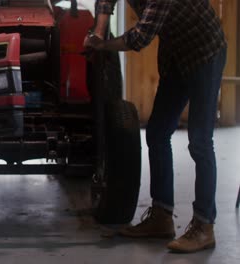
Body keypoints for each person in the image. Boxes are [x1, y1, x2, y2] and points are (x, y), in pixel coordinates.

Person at [84, 0, 227, 253]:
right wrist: (99, 30)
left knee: (200, 142)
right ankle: (161, 216)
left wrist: (103, 45)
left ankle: (204, 226)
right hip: (176, 54)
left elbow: (139, 38)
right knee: (157, 133)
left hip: (205, 53)